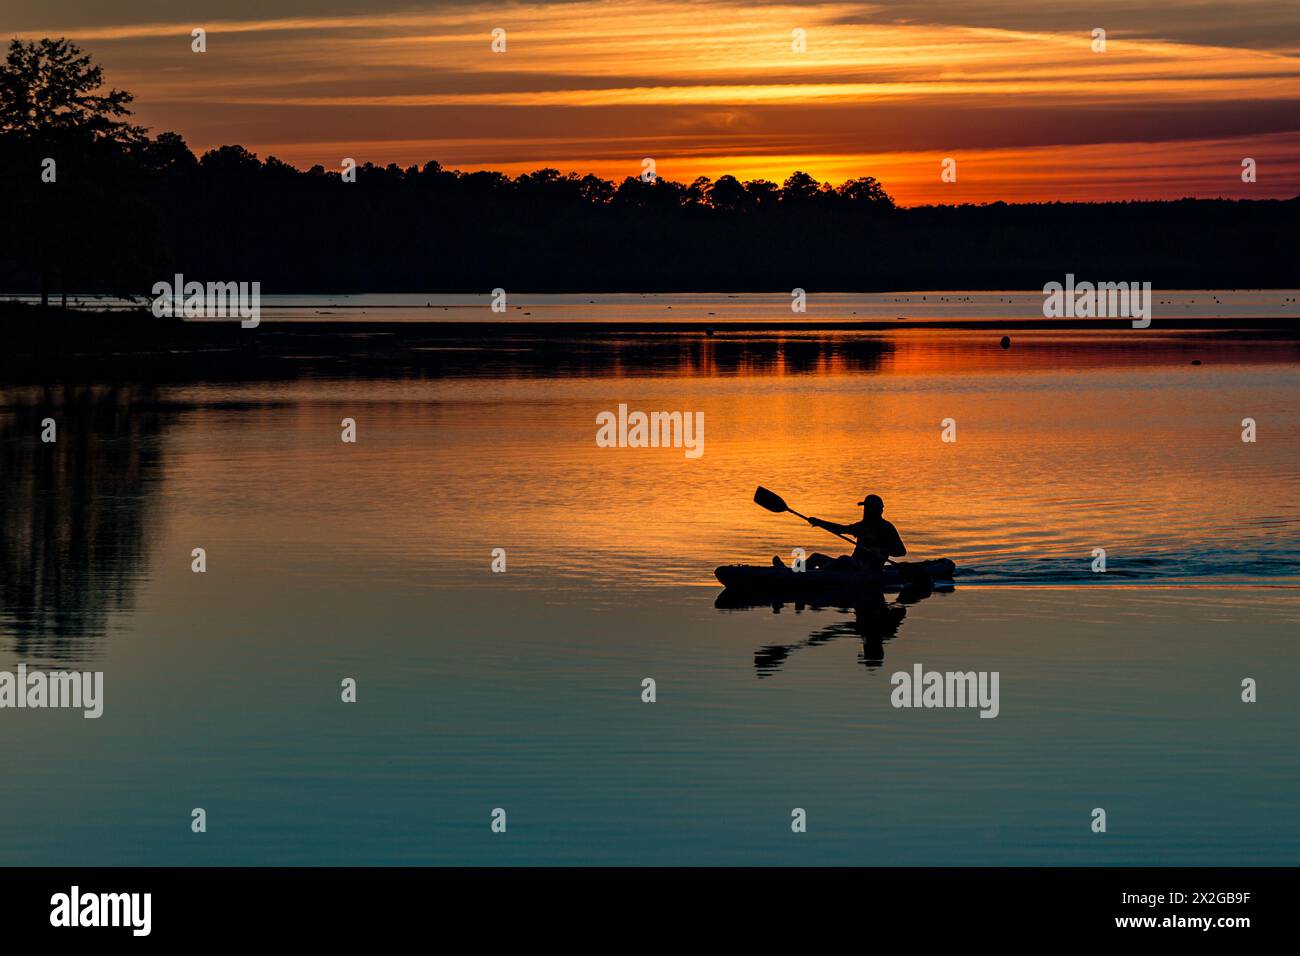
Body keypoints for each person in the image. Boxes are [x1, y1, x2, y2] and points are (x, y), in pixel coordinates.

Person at [773, 494, 906, 572]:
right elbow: (841, 529)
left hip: (870, 570)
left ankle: (814, 577)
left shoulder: (886, 528)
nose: (865, 511)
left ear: (876, 510)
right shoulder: (861, 526)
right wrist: (819, 522)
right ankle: (792, 572)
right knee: (816, 557)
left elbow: (901, 551)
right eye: (865, 508)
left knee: (844, 559)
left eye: (868, 508)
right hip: (853, 565)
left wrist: (880, 550)